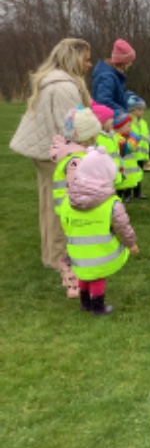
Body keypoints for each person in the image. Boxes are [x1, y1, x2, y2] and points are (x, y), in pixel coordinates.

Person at [10, 38, 93, 275]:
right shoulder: (65, 87)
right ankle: (57, 256)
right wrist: (86, 148)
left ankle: (51, 253)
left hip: (45, 150)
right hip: (54, 153)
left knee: (49, 202)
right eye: (86, 60)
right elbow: (70, 127)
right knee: (61, 205)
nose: (89, 64)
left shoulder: (55, 81)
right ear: (73, 58)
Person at [60, 146, 139, 315]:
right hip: (101, 252)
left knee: (84, 274)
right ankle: (97, 307)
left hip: (77, 250)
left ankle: (85, 303)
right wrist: (131, 244)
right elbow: (122, 226)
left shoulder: (68, 200)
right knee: (97, 277)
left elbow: (64, 222)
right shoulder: (111, 203)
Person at [49, 106, 102, 299]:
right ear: (88, 136)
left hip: (69, 210)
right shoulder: (77, 160)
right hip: (75, 211)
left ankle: (73, 278)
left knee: (75, 246)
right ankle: (73, 282)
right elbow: (76, 188)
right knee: (78, 247)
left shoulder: (74, 156)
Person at [91, 38, 136, 117]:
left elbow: (117, 95)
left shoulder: (114, 74)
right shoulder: (107, 77)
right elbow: (103, 101)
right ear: (122, 62)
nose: (130, 64)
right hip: (109, 120)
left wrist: (131, 96)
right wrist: (123, 113)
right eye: (129, 61)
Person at [127, 94, 150, 196]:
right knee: (130, 174)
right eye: (139, 110)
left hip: (141, 154)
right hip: (131, 154)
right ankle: (128, 194)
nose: (142, 112)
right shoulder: (128, 122)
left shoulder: (143, 123)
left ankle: (138, 192)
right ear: (132, 110)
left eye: (142, 110)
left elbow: (147, 135)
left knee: (139, 173)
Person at [112, 111, 141, 202]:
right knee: (117, 194)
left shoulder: (125, 137)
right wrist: (134, 137)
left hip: (125, 173)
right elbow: (128, 148)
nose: (130, 128)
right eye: (128, 126)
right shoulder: (117, 138)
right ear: (119, 127)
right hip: (120, 172)